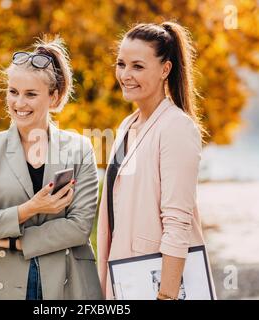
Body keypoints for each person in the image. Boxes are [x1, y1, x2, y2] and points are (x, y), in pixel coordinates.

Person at [0, 36, 102, 300]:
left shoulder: (80, 149)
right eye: (13, 92)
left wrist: (11, 240)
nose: (19, 104)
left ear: (53, 97)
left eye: (31, 94)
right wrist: (31, 208)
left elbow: (79, 227)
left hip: (66, 284)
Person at [97, 22, 216, 300]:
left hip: (156, 284)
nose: (126, 75)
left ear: (165, 69)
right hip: (124, 278)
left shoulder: (176, 127)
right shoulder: (127, 124)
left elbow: (177, 223)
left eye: (138, 66)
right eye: (121, 64)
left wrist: (166, 296)